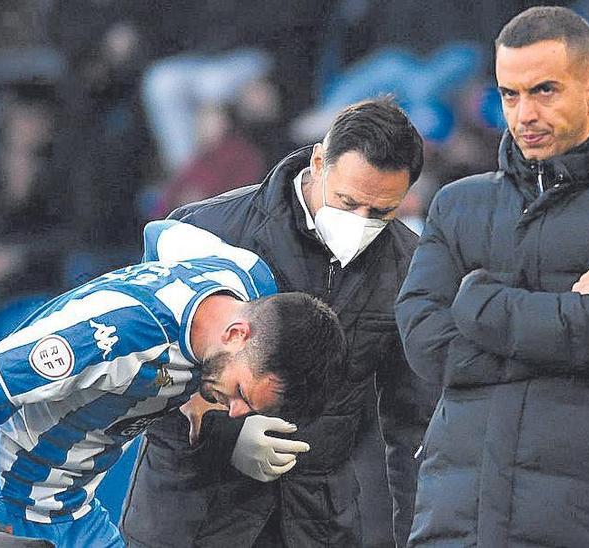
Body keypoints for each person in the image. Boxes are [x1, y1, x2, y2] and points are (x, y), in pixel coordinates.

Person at [396, 6, 589, 547]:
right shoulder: (457, 204)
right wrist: (566, 315)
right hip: (459, 518)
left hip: (587, 520)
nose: (524, 113)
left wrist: (480, 304)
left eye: (544, 91)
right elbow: (427, 344)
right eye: (510, 94)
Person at [121, 98, 438, 547]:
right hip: (192, 513)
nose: (361, 221)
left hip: (314, 521)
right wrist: (225, 435)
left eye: (382, 212)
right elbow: (143, 372)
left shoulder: (408, 267)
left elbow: (414, 426)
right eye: (348, 201)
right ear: (318, 161)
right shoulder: (207, 231)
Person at [0, 219, 346, 548]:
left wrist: (199, 390)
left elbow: (160, 233)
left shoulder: (247, 277)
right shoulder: (113, 333)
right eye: (240, 395)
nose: (234, 412)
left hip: (67, 503)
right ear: (236, 335)